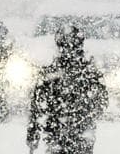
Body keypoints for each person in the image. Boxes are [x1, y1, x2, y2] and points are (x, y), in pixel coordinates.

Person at [26, 25, 108, 154]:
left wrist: (33, 133)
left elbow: (37, 106)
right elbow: (102, 101)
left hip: (59, 132)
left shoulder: (51, 72)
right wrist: (86, 112)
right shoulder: (89, 72)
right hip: (79, 132)